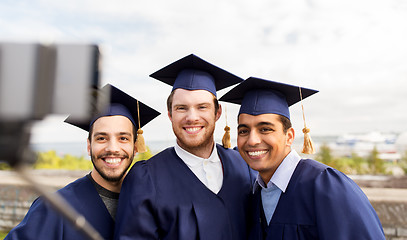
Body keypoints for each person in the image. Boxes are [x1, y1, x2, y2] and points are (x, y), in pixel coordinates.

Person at [219, 77, 385, 239]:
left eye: (265, 129)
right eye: (243, 131)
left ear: (289, 136)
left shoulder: (326, 186)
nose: (252, 140)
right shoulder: (255, 195)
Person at [115, 54, 256, 240]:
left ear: (217, 112)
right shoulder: (145, 178)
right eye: (181, 108)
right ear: (170, 114)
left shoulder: (244, 165)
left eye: (202, 107)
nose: (192, 117)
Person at [5, 84, 160, 240]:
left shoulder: (154, 204)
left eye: (123, 138)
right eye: (101, 138)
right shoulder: (56, 207)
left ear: (135, 146)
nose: (113, 148)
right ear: (88, 146)